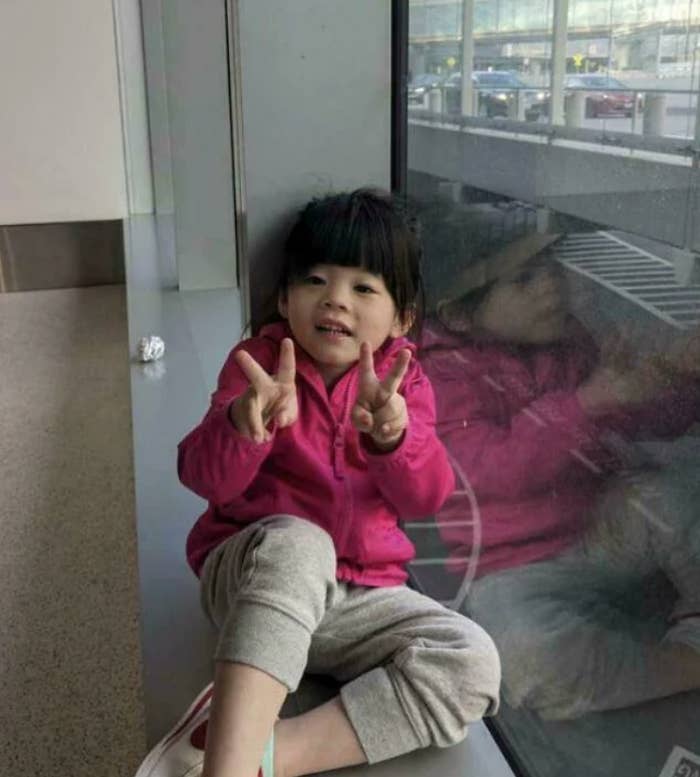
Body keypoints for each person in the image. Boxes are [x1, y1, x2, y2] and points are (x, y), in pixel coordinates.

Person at [135, 189, 501, 777]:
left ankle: (260, 752)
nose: (335, 300)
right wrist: (242, 425)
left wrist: (392, 440)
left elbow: (425, 497)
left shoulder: (406, 387)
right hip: (257, 581)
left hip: (358, 595)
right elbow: (201, 476)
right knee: (302, 542)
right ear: (283, 298)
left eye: (363, 288)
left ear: (402, 317)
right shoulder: (256, 365)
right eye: (315, 280)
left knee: (473, 660)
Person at [419, 231, 700, 721]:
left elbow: (641, 422)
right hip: (506, 566)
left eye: (551, 266)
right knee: (523, 651)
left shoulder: (568, 345)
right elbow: (488, 470)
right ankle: (676, 666)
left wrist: (671, 378)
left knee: (673, 496)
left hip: (596, 526)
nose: (551, 283)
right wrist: (590, 401)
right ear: (459, 313)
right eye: (524, 279)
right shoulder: (437, 378)